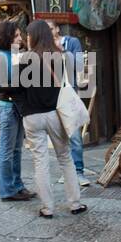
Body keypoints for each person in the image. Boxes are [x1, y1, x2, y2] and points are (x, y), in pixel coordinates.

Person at [15, 20, 86, 218]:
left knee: (40, 161)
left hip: (32, 116)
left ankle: (47, 208)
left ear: (33, 36)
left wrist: (23, 108)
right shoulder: (58, 56)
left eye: (28, 35)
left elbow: (17, 88)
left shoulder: (24, 59)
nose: (27, 38)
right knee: (65, 157)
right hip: (55, 113)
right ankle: (75, 203)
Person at [0, 21, 32, 201]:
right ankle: (7, 190)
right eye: (16, 35)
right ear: (7, 37)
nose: (20, 39)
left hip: (17, 105)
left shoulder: (14, 54)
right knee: (7, 150)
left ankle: (17, 185)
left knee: (17, 149)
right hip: (7, 106)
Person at [49, 21, 90, 187]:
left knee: (74, 134)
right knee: (59, 135)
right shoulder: (44, 47)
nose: (49, 32)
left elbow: (80, 65)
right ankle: (66, 171)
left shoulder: (72, 42)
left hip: (69, 93)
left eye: (51, 28)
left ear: (57, 28)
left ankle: (78, 171)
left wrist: (63, 51)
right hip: (52, 95)